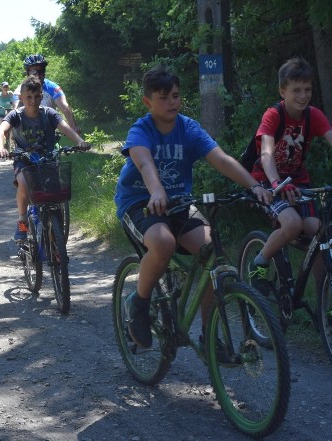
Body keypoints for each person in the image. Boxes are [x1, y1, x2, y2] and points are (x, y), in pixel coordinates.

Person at [114, 65, 272, 350]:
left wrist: (254, 186)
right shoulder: (141, 129)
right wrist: (157, 190)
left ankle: (211, 336)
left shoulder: (188, 128)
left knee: (212, 252)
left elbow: (222, 160)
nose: (172, 102)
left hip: (178, 203)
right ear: (148, 102)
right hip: (139, 201)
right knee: (162, 243)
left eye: (175, 95)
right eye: (163, 97)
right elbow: (144, 163)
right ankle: (138, 302)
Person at [246, 56, 332, 295]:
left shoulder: (313, 115)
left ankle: (324, 303)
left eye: (307, 89)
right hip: (267, 182)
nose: (303, 96)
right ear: (282, 91)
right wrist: (276, 183)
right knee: (293, 224)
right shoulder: (273, 115)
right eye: (296, 90)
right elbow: (266, 154)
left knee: (321, 232)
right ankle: (260, 263)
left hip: (297, 182)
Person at [0, 76, 90, 241]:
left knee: (56, 192)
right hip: (23, 159)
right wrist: (0, 147)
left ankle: (56, 235)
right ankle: (22, 222)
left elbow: (66, 129)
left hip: (47, 158)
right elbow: (1, 131)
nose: (33, 100)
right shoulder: (15, 115)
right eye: (29, 97)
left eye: (37, 96)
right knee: (23, 184)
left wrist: (80, 141)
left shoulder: (49, 113)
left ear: (41, 96)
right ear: (22, 98)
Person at [19, 54, 80, 133]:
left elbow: (64, 107)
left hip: (49, 133)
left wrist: (73, 126)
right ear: (28, 73)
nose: (38, 75)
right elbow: (15, 107)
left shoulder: (53, 88)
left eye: (41, 71)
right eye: (34, 72)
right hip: (27, 133)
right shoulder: (20, 89)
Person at [0, 81, 17, 150]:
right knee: (1, 122)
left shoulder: (10, 93)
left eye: (7, 86)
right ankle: (2, 136)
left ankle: (13, 142)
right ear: (1, 88)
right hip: (1, 112)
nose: (6, 88)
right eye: (4, 87)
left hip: (9, 112)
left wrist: (15, 108)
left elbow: (13, 102)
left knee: (14, 126)